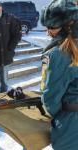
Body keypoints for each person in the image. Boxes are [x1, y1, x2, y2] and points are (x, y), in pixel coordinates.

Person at [40, 0, 78, 150]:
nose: (48, 31)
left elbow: (50, 99)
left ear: (67, 26)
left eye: (52, 27)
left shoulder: (58, 54)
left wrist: (56, 115)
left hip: (70, 127)